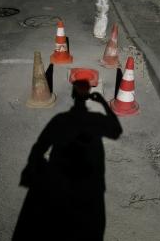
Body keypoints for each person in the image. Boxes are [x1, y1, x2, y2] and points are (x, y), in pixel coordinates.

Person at [12, 80, 122, 241]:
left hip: (61, 184)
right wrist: (104, 103)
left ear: (72, 95)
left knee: (60, 227)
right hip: (90, 187)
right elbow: (116, 131)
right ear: (89, 96)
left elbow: (40, 146)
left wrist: (36, 167)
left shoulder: (59, 120)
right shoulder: (96, 119)